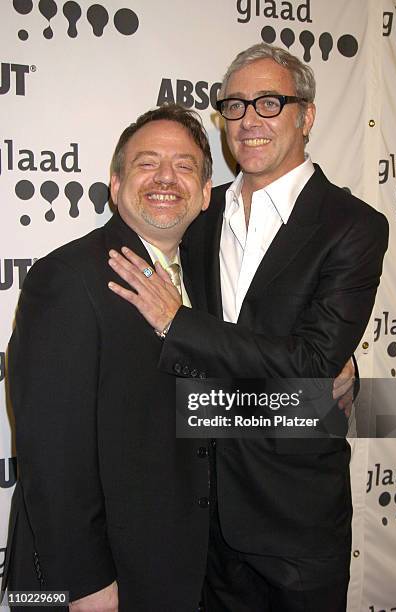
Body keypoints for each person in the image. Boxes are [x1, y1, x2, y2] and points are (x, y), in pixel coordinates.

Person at [107, 43, 389, 611]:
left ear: (306, 116)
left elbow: (312, 369)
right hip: (200, 518)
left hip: (295, 526)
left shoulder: (353, 225)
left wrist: (178, 323)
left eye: (269, 102)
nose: (249, 121)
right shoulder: (198, 211)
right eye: (234, 106)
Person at [2, 105, 214, 611]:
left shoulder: (204, 284)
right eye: (147, 163)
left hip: (173, 566)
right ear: (115, 185)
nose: (166, 177)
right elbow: (51, 453)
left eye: (185, 166)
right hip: (94, 581)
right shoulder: (68, 278)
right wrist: (84, 586)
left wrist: (329, 394)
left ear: (206, 194)